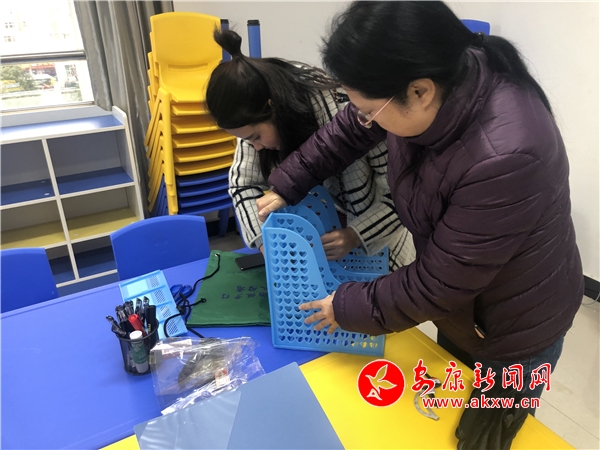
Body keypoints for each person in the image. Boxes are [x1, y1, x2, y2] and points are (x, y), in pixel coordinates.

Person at [256, 1, 583, 416]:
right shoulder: (435, 78)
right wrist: (287, 183)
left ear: (420, 92)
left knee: (489, 427)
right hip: (466, 307)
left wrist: (345, 306)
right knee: (450, 406)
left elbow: (439, 284)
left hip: (514, 324)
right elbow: (348, 129)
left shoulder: (505, 157)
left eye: (369, 111)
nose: (364, 120)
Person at [206, 29, 416, 271]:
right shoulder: (252, 115)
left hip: (380, 249)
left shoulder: (362, 114)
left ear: (274, 108)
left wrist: (356, 235)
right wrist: (266, 242)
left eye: (255, 137)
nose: (256, 146)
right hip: (317, 253)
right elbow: (243, 184)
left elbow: (400, 197)